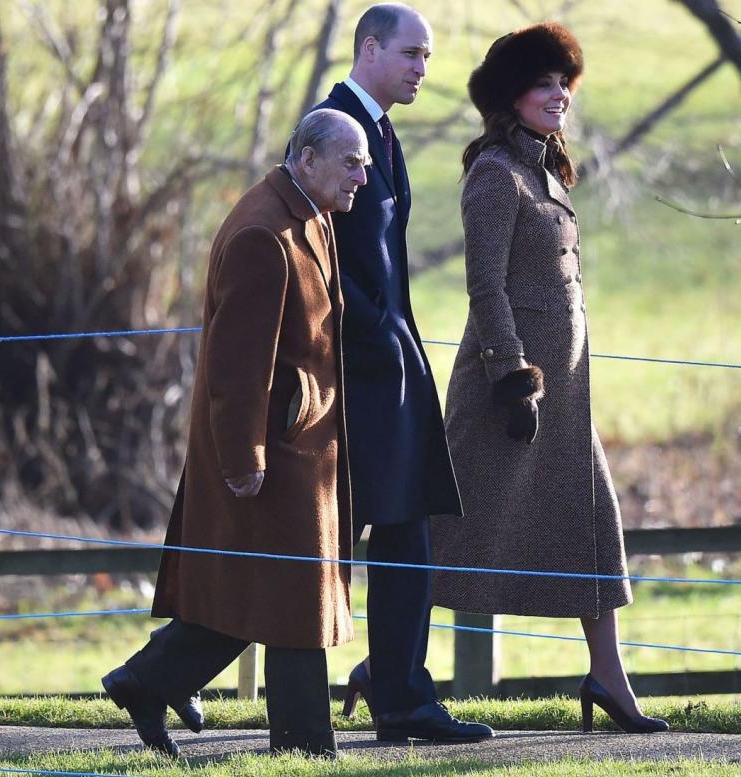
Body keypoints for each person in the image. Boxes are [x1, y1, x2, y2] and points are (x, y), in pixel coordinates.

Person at [100, 108, 368, 759]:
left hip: (302, 446)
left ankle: (148, 678)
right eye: (351, 161)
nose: (364, 175)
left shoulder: (312, 214)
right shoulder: (261, 234)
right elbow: (235, 365)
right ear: (306, 158)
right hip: (273, 451)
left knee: (272, 593)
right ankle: (305, 748)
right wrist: (244, 456)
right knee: (289, 595)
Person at [429, 22, 669, 735]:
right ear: (512, 96)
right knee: (457, 536)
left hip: (562, 402)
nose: (560, 93)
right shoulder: (495, 175)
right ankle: (388, 669)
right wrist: (512, 379)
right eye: (544, 83)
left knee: (596, 526)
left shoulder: (543, 171)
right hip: (509, 398)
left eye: (564, 82)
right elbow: (486, 289)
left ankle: (607, 676)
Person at [309, 3, 491, 744]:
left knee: (406, 531)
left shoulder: (380, 134)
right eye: (412, 53)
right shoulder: (329, 132)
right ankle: (162, 671)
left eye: (429, 56)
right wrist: (374, 338)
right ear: (370, 47)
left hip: (390, 369)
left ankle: (402, 697)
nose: (423, 69)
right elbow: (319, 255)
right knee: (313, 541)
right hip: (353, 376)